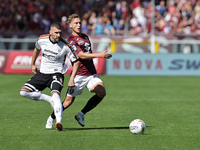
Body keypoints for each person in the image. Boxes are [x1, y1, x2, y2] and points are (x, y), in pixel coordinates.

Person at [45, 14, 112, 129]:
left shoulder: (85, 36)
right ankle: (51, 118)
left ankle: (81, 114)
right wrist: (100, 55)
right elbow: (80, 55)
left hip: (91, 74)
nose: (79, 25)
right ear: (70, 25)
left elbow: (87, 53)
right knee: (67, 102)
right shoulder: (70, 41)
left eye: (80, 23)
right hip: (78, 76)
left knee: (102, 92)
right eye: (76, 23)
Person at [20, 22, 80, 131]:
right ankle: (48, 99)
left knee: (56, 95)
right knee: (23, 92)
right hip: (42, 73)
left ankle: (58, 122)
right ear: (50, 32)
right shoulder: (42, 39)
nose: (58, 35)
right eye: (56, 33)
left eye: (60, 33)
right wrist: (33, 64)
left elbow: (76, 62)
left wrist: (72, 78)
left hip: (56, 74)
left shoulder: (66, 45)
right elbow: (36, 49)